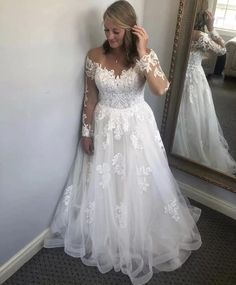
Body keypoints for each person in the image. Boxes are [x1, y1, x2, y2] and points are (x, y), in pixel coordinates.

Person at [44, 1, 202, 284]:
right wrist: (86, 132)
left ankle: (133, 232)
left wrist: (143, 53)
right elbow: (90, 98)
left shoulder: (145, 56)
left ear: (131, 30)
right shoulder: (94, 56)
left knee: (133, 181)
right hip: (104, 127)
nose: (110, 36)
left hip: (135, 127)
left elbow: (161, 88)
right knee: (104, 183)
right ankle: (105, 232)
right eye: (106, 30)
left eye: (116, 31)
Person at [172, 7, 236, 176]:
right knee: (195, 114)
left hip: (177, 76)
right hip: (194, 77)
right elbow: (223, 50)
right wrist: (212, 27)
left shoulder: (176, 29)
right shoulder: (201, 36)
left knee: (179, 114)